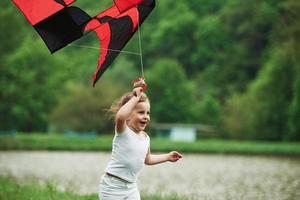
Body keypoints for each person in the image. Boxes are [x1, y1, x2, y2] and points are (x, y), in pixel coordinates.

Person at [99, 81, 182, 200]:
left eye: (148, 113)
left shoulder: (145, 138)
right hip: (112, 186)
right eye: (141, 112)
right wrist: (136, 96)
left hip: (131, 186)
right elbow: (120, 117)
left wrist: (167, 157)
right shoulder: (123, 131)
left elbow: (147, 159)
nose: (146, 116)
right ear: (128, 114)